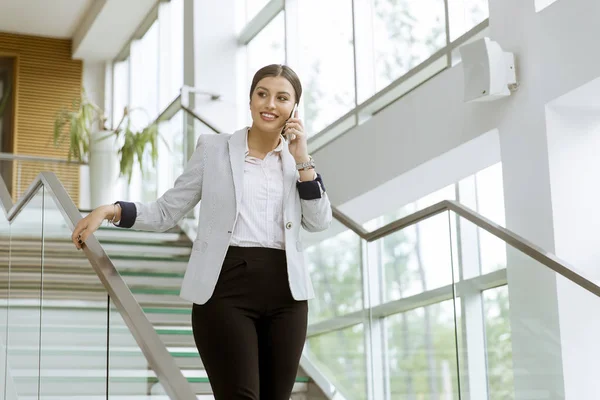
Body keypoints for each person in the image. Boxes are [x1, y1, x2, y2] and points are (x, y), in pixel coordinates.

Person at [71, 64, 332, 400]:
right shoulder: (214, 149)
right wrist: (112, 210)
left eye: (282, 98)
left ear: (294, 108)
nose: (270, 104)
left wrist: (302, 160)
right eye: (262, 94)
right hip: (226, 289)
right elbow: (167, 210)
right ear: (251, 99)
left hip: (288, 296)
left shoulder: (298, 162)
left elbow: (319, 220)